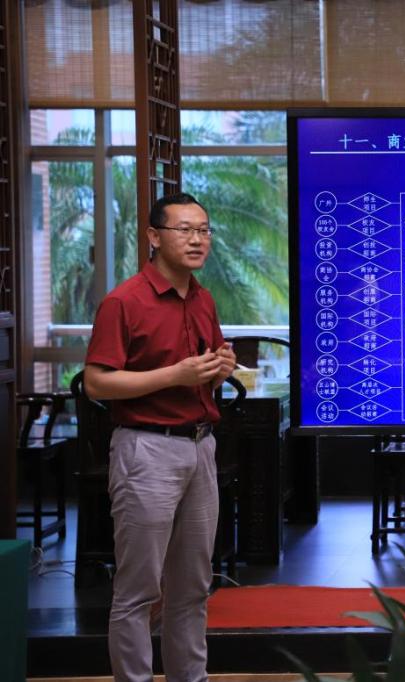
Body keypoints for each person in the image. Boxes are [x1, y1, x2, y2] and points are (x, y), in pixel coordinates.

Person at [84, 192, 236, 682]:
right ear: (154, 236)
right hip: (146, 449)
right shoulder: (124, 301)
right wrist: (174, 375)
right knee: (138, 591)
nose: (197, 240)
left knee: (192, 587)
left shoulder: (203, 299)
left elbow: (201, 372)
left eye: (204, 230)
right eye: (184, 230)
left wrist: (219, 369)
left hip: (200, 446)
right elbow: (97, 383)